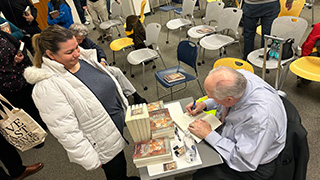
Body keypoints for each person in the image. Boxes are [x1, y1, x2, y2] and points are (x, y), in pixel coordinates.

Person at [23, 25, 139, 180]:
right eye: (69, 52)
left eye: (76, 47)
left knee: (121, 164)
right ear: (51, 54)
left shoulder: (83, 58)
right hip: (102, 140)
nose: (77, 53)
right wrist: (89, 159)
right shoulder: (47, 88)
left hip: (114, 126)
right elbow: (66, 131)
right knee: (116, 171)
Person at [185, 66, 287, 180]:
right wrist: (205, 104)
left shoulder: (260, 119)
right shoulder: (238, 77)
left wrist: (209, 134)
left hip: (250, 164)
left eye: (211, 96)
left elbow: (243, 161)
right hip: (232, 137)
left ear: (229, 100)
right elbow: (225, 96)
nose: (208, 98)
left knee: (201, 175)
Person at [69, 23, 147, 104]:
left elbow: (97, 48)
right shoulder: (70, 49)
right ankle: (130, 96)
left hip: (96, 65)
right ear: (72, 36)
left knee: (116, 72)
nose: (81, 41)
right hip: (87, 73)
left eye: (82, 39)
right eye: (79, 39)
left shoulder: (85, 40)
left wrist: (102, 60)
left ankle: (134, 95)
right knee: (114, 74)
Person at [0, 30, 46, 130]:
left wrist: (21, 56)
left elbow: (20, 45)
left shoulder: (2, 35)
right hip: (7, 89)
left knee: (37, 106)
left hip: (24, 79)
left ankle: (44, 124)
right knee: (24, 116)